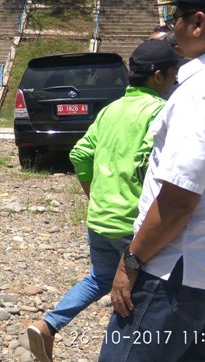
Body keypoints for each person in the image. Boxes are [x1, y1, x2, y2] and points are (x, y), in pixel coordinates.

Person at [100, 0, 205, 361]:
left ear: (198, 22)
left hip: (178, 273)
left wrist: (131, 261)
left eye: (176, 16)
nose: (173, 25)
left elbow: (179, 199)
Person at [26, 39, 180, 362]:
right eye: (173, 74)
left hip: (99, 218)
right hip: (132, 224)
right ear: (159, 75)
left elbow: (80, 153)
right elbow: (147, 161)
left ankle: (47, 325)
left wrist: (94, 194)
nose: (175, 80)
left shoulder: (111, 109)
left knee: (101, 278)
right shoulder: (160, 111)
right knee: (134, 294)